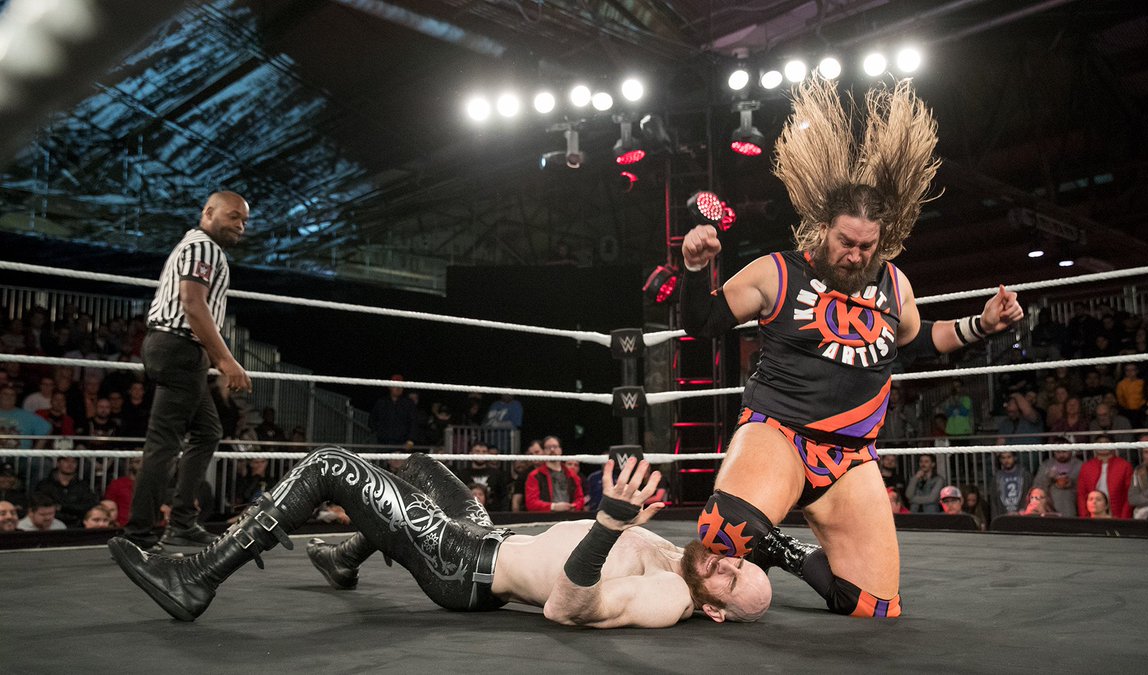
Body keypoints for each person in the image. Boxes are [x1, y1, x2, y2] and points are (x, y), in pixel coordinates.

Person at [680, 77, 1023, 617]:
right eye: (846, 242)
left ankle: (793, 551)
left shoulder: (894, 282)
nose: (855, 255)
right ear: (822, 230)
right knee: (726, 532)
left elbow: (919, 338)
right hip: (780, 434)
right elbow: (704, 324)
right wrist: (696, 269)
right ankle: (774, 543)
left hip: (852, 458)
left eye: (868, 246)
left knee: (875, 607)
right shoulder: (776, 273)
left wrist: (980, 323)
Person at [108, 448, 772, 627]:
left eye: (732, 579)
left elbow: (566, 607)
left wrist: (606, 524)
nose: (726, 562)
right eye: (737, 562)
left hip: (465, 566)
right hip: (483, 534)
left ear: (714, 609)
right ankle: (345, 555)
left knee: (329, 464)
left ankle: (194, 577)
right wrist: (626, 521)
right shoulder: (679, 557)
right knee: (423, 466)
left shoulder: (667, 598)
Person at [124, 191, 251, 552]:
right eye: (232, 216)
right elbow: (193, 304)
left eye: (243, 220)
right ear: (208, 212)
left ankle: (181, 522)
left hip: (178, 349)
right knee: (163, 444)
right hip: (179, 347)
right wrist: (226, 360)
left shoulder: (196, 245)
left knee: (208, 430)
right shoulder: (204, 248)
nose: (240, 226)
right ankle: (139, 534)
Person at [524, 436, 585, 513]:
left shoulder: (572, 475)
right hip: (545, 520)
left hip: (569, 518)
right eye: (548, 447)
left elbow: (580, 499)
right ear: (544, 451)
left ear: (560, 450)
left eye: (555, 447)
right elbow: (531, 503)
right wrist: (554, 507)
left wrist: (573, 506)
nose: (552, 450)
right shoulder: (535, 476)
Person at [33, 456, 98, 527]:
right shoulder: (45, 485)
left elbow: (89, 506)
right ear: (58, 463)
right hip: (51, 525)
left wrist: (62, 507)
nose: (70, 464)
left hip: (78, 525)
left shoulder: (83, 485)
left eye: (73, 462)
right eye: (66, 461)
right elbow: (42, 505)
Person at [1077, 438, 1134, 519]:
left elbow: (1128, 495)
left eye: (1106, 442)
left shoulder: (1124, 466)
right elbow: (1082, 495)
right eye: (1100, 443)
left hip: (1117, 514)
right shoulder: (1087, 467)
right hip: (1092, 516)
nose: (1103, 445)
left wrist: (1124, 518)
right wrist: (1084, 517)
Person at [1033, 446, 1084, 517]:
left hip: (1071, 503)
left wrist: (1071, 483)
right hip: (1050, 503)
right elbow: (1038, 487)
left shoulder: (1079, 465)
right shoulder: (1046, 465)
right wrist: (1049, 478)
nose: (1061, 455)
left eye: (1064, 451)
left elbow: (1084, 486)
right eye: (1058, 452)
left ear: (1071, 451)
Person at [368, 375, 417, 448]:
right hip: (383, 442)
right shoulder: (381, 402)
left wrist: (411, 439)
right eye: (395, 385)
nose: (398, 388)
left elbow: (414, 422)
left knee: (400, 458)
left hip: (402, 443)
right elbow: (372, 419)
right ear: (390, 387)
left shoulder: (408, 403)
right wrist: (378, 433)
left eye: (401, 386)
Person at [990, 451, 1033, 517]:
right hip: (1003, 517)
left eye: (1009, 457)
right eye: (1003, 458)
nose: (1006, 460)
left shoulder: (1024, 474)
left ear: (1015, 457)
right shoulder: (997, 477)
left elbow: (1030, 494)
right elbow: (994, 501)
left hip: (1023, 515)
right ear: (1000, 460)